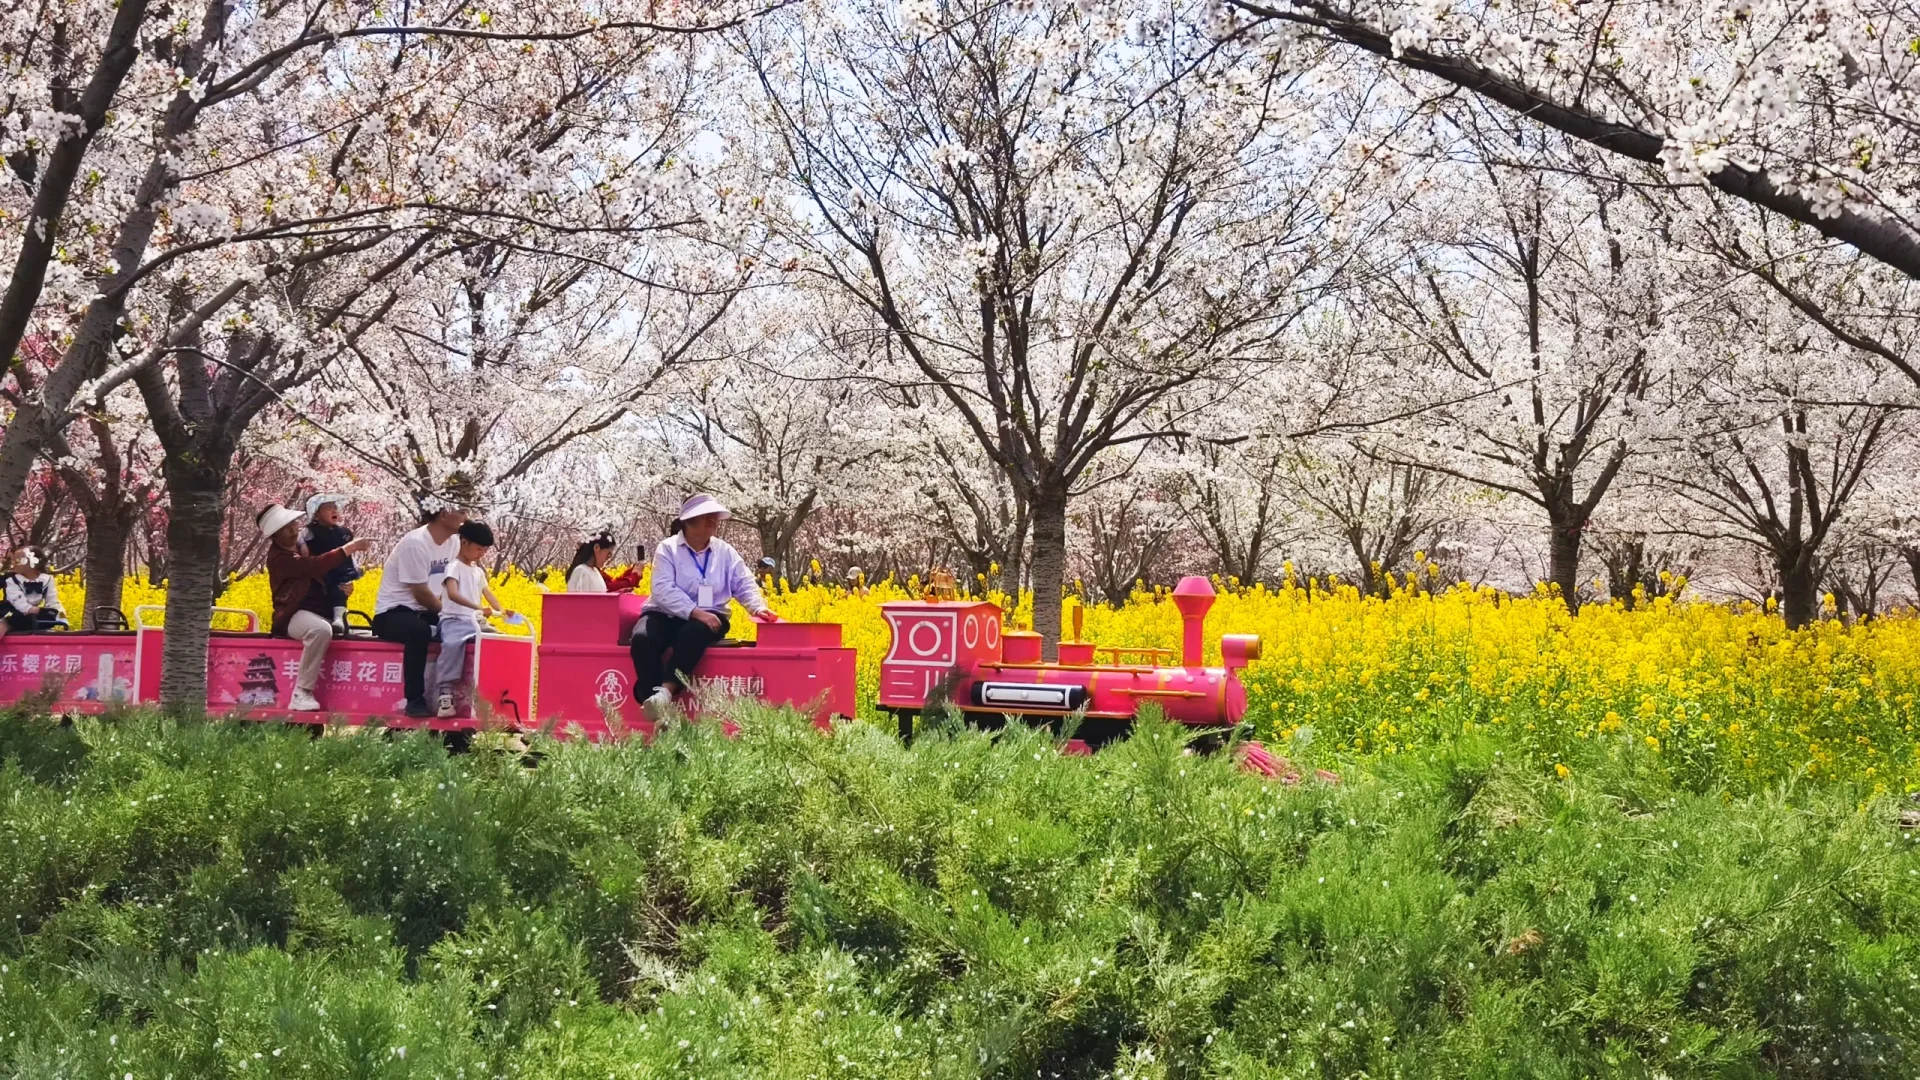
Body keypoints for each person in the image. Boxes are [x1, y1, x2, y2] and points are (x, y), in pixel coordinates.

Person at [631, 494, 779, 723]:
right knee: (642, 638)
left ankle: (665, 693)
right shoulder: (667, 549)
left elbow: (743, 582)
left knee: (694, 632)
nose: (713, 520)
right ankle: (653, 704)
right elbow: (662, 589)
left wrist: (757, 607)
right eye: (705, 516)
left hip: (710, 614)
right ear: (688, 521)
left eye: (714, 516)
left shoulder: (725, 552)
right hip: (665, 612)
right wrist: (694, 611)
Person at [373, 480, 472, 717]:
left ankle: (456, 699)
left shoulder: (453, 543)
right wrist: (450, 613)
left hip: (426, 610)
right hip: (393, 613)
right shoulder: (416, 544)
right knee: (419, 632)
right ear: (443, 513)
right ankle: (414, 699)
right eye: (461, 511)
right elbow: (420, 593)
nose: (465, 517)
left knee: (466, 630)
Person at [260, 503, 373, 712]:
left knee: (363, 635)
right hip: (293, 615)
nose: (294, 530)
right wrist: (349, 548)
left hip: (323, 612)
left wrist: (343, 587)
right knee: (319, 630)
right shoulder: (280, 558)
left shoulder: (304, 547)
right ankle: (301, 692)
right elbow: (314, 566)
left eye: (294, 524)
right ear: (275, 536)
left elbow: (327, 572)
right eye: (286, 528)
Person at [434, 521, 514, 718]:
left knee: (498, 639)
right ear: (464, 542)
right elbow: (452, 594)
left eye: (485, 550)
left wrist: (502, 611)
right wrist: (478, 609)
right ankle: (445, 693)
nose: (482, 554)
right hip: (453, 620)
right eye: (479, 549)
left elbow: (488, 594)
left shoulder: (478, 571)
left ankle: (493, 694)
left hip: (474, 623)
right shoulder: (453, 567)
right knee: (452, 645)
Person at [300, 493, 362, 635]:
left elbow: (349, 555)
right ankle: (336, 618)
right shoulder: (309, 532)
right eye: (328, 508)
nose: (334, 511)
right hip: (321, 573)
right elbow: (301, 545)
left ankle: (339, 618)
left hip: (341, 571)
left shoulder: (344, 533)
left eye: (335, 507)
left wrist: (355, 570)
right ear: (316, 515)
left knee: (341, 590)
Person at [0, 548, 65, 638]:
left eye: (17, 560)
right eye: (13, 560)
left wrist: (58, 613)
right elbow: (16, 599)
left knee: (44, 623)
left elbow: (52, 599)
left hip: (33, 615)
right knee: (2, 625)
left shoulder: (46, 579)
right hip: (12, 613)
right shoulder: (12, 580)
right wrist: (28, 608)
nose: (13, 563)